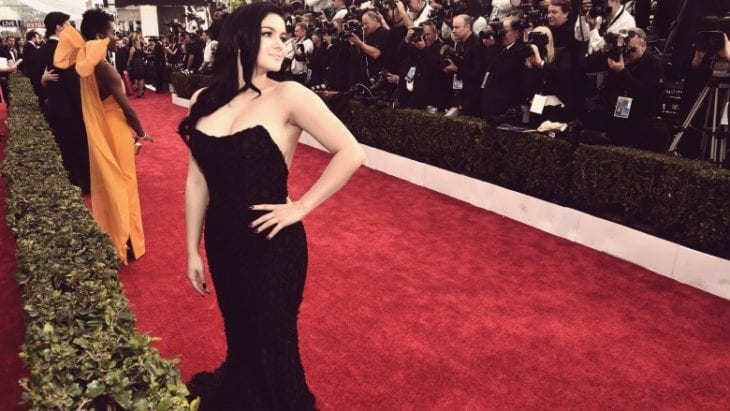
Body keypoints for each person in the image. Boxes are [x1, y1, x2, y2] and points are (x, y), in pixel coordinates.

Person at [177, 3, 364, 409]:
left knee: (275, 341)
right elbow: (197, 181)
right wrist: (192, 249)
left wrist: (302, 207)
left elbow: (350, 152)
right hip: (223, 241)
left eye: (284, 36)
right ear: (240, 36)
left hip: (274, 242)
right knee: (240, 334)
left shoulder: (289, 95)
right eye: (269, 34)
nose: (283, 44)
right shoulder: (203, 99)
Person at [55, 9, 151, 264]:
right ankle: (130, 243)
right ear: (100, 35)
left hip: (101, 127)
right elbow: (128, 109)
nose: (117, 37)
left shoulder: (87, 66)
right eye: (113, 32)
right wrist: (142, 132)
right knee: (125, 184)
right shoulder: (105, 68)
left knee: (111, 185)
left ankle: (118, 239)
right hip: (116, 129)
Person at [35, 12, 91, 193]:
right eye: (67, 24)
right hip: (73, 107)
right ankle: (85, 183)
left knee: (64, 146)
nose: (71, 28)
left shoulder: (40, 51)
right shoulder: (67, 50)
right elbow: (74, 83)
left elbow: (34, 81)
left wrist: (43, 82)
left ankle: (72, 182)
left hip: (54, 107)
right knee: (80, 144)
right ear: (58, 27)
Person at [128, 32, 146, 97]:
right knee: (141, 77)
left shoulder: (133, 48)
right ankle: (141, 91)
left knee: (138, 77)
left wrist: (127, 65)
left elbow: (130, 58)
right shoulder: (140, 47)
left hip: (136, 63)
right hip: (141, 62)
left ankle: (140, 92)